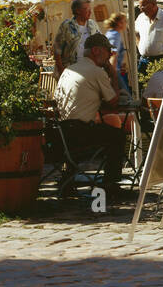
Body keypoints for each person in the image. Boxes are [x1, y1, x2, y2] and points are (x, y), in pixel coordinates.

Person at [54, 33, 127, 204]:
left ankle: (68, 179)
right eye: (108, 52)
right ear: (96, 51)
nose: (110, 56)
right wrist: (114, 75)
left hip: (62, 133)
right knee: (117, 135)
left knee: (102, 130)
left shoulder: (69, 70)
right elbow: (114, 102)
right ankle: (111, 184)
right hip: (79, 133)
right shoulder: (96, 71)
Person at [53, 0, 100, 76]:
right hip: (70, 70)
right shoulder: (66, 26)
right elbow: (57, 50)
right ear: (77, 10)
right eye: (86, 9)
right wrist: (61, 70)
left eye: (90, 9)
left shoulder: (93, 25)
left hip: (89, 70)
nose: (90, 12)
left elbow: (101, 43)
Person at [105, 14, 130, 93]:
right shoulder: (115, 35)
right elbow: (113, 54)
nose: (126, 23)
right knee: (126, 96)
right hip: (114, 71)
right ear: (119, 23)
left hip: (112, 69)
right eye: (125, 21)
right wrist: (113, 74)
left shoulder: (109, 33)